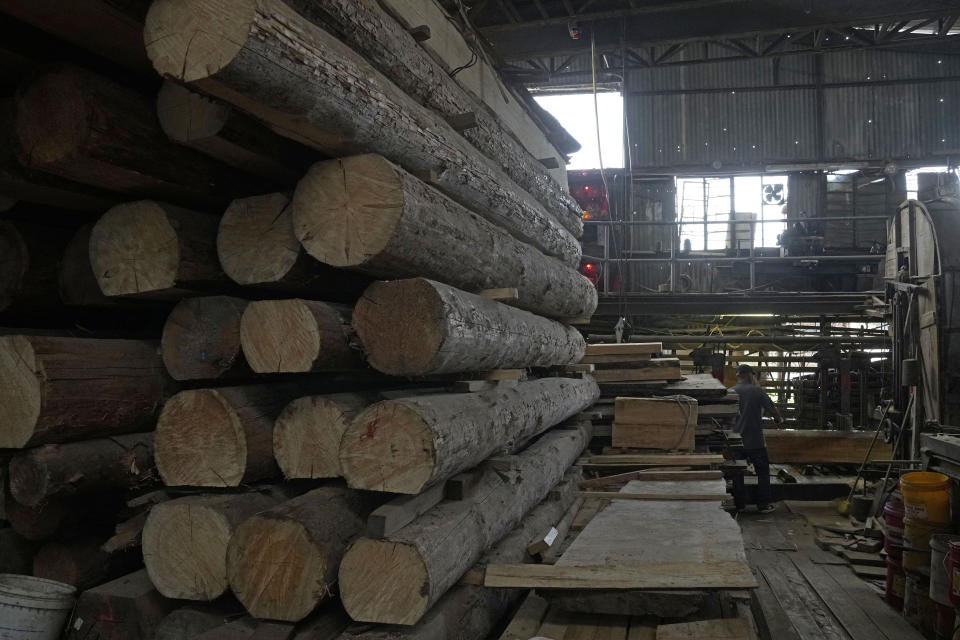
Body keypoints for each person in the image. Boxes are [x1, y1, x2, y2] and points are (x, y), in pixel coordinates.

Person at [730, 364, 784, 514]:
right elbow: (773, 410)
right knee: (762, 472)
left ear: (738, 376)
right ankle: (763, 505)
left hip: (735, 441)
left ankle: (740, 505)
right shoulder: (757, 392)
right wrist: (779, 420)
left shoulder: (730, 392)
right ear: (749, 375)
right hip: (755, 442)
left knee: (737, 474)